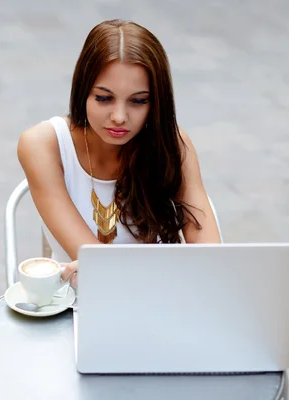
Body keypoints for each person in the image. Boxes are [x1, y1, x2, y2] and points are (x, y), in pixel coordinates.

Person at [17, 19, 221, 286]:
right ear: (82, 91)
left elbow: (212, 257)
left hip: (165, 299)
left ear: (156, 102)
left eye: (138, 101)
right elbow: (95, 263)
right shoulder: (42, 145)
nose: (119, 117)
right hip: (81, 306)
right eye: (104, 97)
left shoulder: (172, 144)